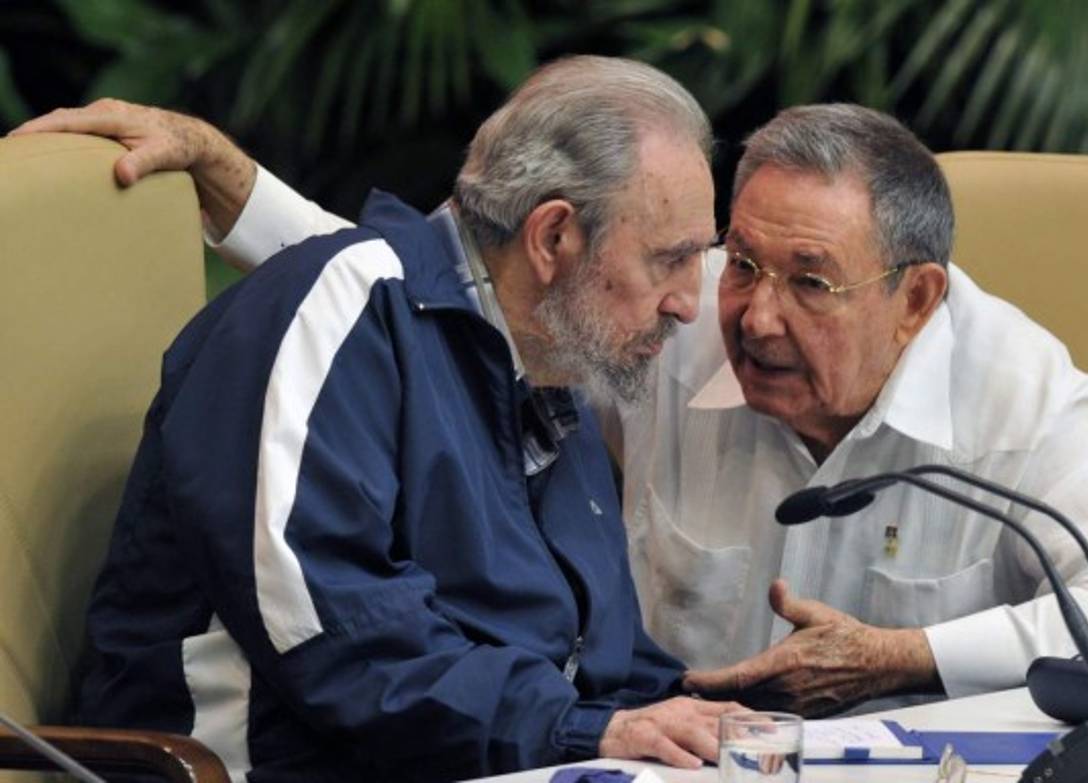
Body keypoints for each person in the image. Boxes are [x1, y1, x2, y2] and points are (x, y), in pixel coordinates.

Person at [20, 98, 1088, 718]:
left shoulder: (1012, 385)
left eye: (810, 283)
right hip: (633, 744)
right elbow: (445, 317)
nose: (750, 315)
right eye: (740, 261)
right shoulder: (672, 319)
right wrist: (237, 190)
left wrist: (901, 658)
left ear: (917, 300)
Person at [13, 56, 743, 781]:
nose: (689, 302)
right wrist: (580, 728)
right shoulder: (336, 313)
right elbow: (335, 634)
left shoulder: (548, 363)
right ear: (553, 237)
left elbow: (594, 657)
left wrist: (723, 714)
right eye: (670, 260)